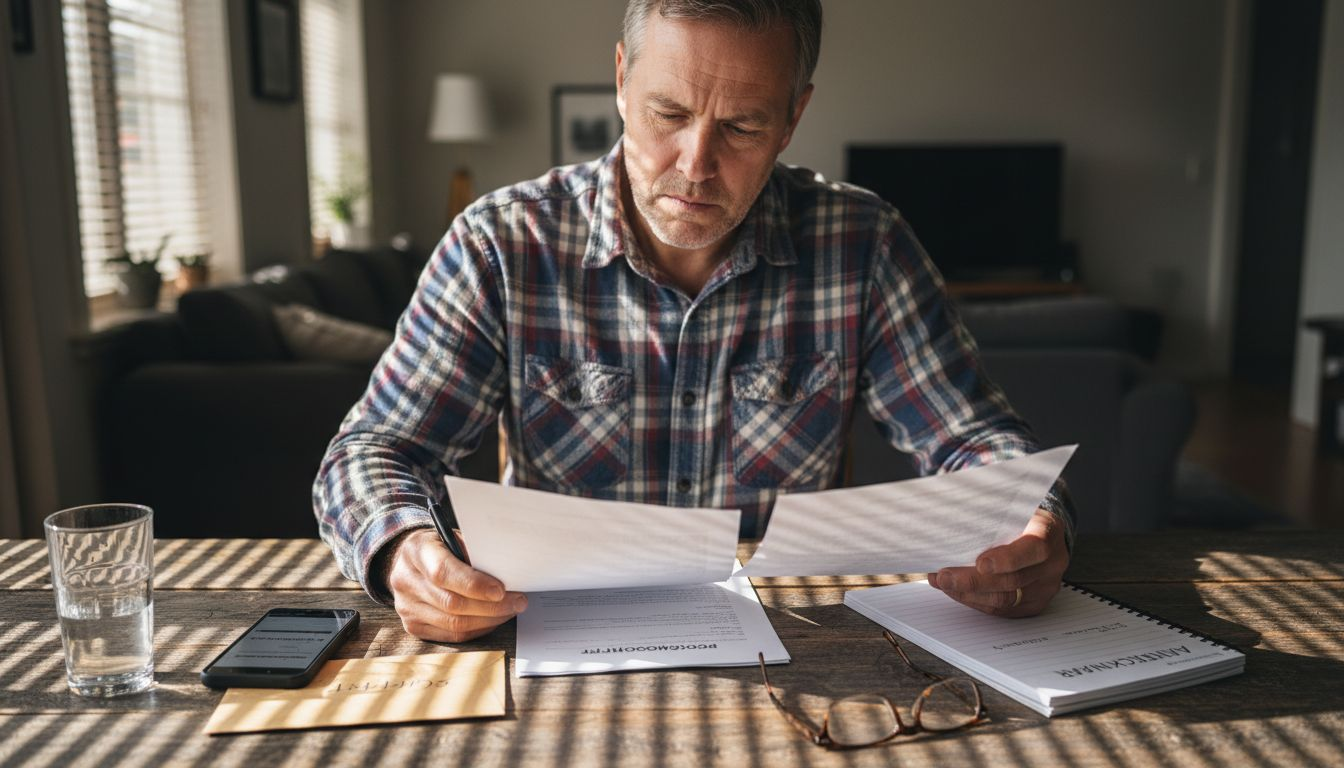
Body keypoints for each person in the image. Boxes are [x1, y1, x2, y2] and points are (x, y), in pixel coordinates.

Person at [314, 0, 1075, 644]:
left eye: (742, 126)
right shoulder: (502, 245)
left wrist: (1031, 522)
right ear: (621, 80)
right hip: (559, 638)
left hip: (796, 643)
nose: (696, 162)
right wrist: (401, 549)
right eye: (668, 112)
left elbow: (973, 440)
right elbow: (374, 450)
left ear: (793, 117)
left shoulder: (864, 246)